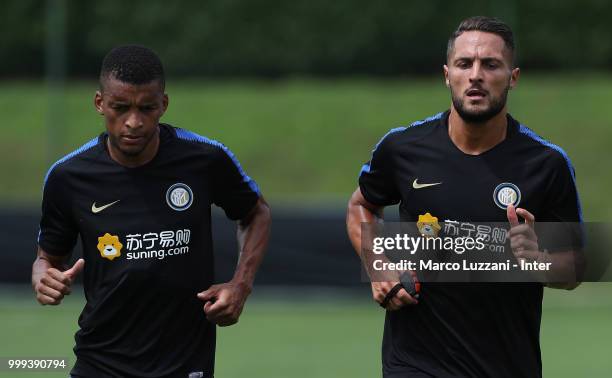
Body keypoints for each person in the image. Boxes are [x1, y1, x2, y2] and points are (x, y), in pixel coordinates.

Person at [346, 16, 583, 378]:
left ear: (513, 77)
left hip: (507, 364)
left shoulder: (547, 164)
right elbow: (360, 206)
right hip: (414, 363)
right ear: (447, 74)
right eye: (464, 64)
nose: (476, 75)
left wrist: (537, 260)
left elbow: (576, 267)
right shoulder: (403, 148)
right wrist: (378, 265)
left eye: (490, 64)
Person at [32, 45, 271, 378]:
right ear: (100, 103)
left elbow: (256, 212)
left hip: (184, 364)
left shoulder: (205, 159)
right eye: (120, 107)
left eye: (146, 108)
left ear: (163, 104)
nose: (133, 121)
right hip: (100, 363)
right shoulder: (68, 176)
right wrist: (42, 275)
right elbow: (48, 259)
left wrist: (240, 285)